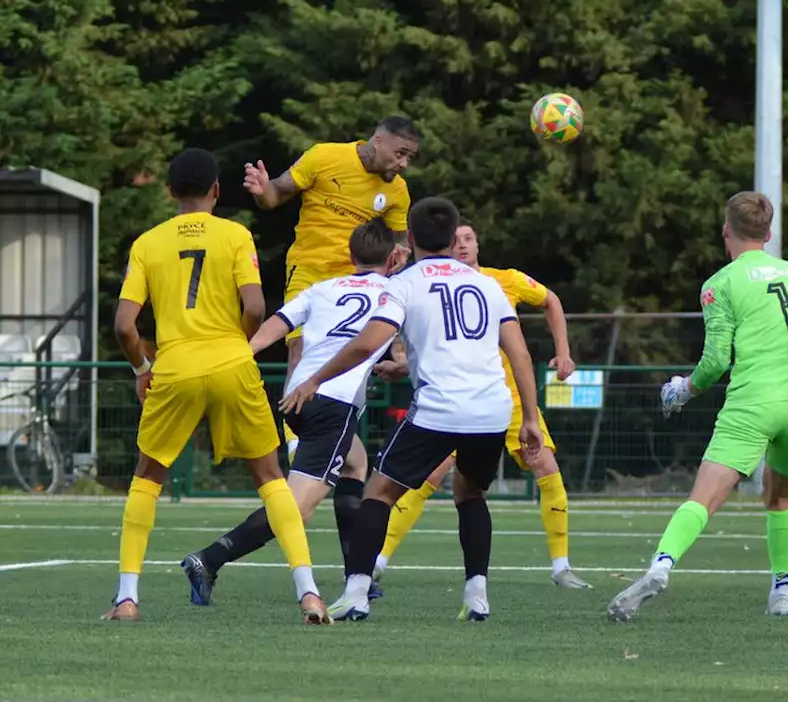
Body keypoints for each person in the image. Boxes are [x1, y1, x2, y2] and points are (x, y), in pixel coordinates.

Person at [607, 192, 788, 622]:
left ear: (726, 231)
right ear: (768, 234)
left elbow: (714, 363)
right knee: (780, 497)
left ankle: (661, 566)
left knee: (703, 499)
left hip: (754, 401)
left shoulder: (720, 284)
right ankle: (781, 591)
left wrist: (681, 390)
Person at [279, 197, 544, 622]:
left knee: (377, 494)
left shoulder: (404, 283)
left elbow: (367, 342)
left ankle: (356, 593)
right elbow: (519, 352)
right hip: (492, 411)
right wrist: (530, 417)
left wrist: (314, 379)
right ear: (453, 234)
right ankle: (477, 596)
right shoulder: (488, 284)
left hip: (439, 409)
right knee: (470, 493)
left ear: (412, 238)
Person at [105, 148, 328, 624]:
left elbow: (125, 325)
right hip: (231, 361)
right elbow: (254, 305)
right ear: (216, 191)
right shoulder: (235, 234)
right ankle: (309, 593)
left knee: (146, 479)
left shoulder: (148, 242)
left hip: (175, 368)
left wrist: (143, 369)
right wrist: (236, 344)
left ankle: (127, 598)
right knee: (270, 479)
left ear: (169, 191)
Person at [179, 219, 400, 604]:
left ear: (351, 256)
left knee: (354, 465)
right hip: (333, 404)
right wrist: (401, 363)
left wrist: (239, 355)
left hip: (300, 399)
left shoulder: (323, 288)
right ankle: (210, 559)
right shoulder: (397, 293)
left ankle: (357, 572)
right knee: (295, 508)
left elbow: (275, 327)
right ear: (393, 257)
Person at [374, 218, 587, 588]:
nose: (462, 245)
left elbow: (550, 300)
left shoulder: (502, 280)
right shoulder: (431, 284)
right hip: (458, 399)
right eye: (455, 239)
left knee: (547, 469)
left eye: (469, 238)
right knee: (428, 479)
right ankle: (378, 561)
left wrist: (564, 352)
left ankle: (561, 566)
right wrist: (404, 363)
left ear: (478, 244)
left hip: (511, 402)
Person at [243, 115, 417, 454]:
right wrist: (263, 191)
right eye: (400, 153)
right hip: (309, 269)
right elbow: (276, 193)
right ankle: (296, 444)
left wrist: (401, 258)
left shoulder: (397, 191)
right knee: (300, 348)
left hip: (360, 279)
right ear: (378, 141)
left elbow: (399, 242)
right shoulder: (324, 156)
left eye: (409, 156)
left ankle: (339, 440)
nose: (404, 163)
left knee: (356, 355)